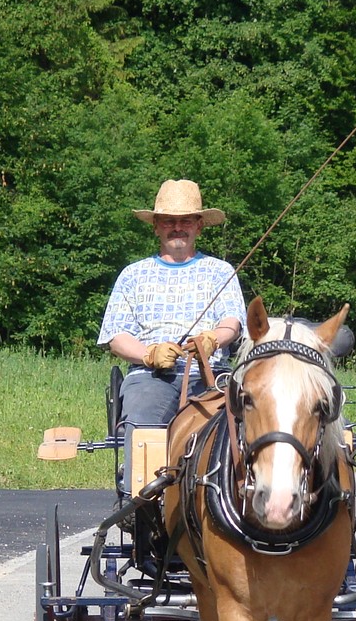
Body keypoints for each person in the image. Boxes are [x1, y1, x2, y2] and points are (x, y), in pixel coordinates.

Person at [97, 179, 246, 436]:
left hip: (212, 376)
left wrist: (212, 339)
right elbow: (116, 337)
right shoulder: (133, 274)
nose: (177, 228)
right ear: (156, 226)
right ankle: (141, 476)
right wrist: (149, 355)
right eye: (168, 221)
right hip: (149, 378)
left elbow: (231, 323)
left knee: (239, 429)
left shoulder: (221, 271)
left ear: (199, 226)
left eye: (186, 220)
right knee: (141, 428)